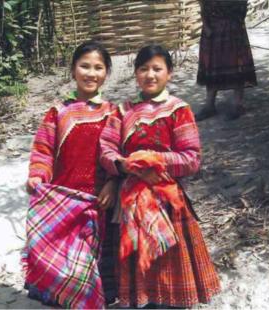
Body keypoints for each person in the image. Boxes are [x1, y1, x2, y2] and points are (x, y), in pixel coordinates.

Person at [99, 44, 221, 308]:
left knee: (169, 266)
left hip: (167, 201)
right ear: (135, 74)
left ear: (170, 74)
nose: (150, 75)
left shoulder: (178, 109)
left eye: (157, 69)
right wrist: (125, 165)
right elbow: (106, 149)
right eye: (143, 69)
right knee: (139, 269)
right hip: (131, 201)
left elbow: (191, 159)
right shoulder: (122, 112)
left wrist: (151, 161)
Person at [23, 40, 118, 308]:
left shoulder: (113, 113)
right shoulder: (58, 112)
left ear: (106, 73)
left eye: (98, 67)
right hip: (64, 204)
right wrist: (38, 176)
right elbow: (43, 151)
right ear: (73, 70)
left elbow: (120, 156)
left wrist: (112, 183)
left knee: (96, 265)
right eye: (84, 66)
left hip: (100, 202)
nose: (91, 73)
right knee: (66, 262)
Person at [196, 0, 257, 121]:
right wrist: (206, 26)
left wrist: (236, 24)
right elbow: (203, 6)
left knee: (236, 65)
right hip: (212, 30)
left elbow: (242, 9)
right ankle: (209, 105)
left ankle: (237, 105)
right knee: (212, 67)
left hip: (233, 28)